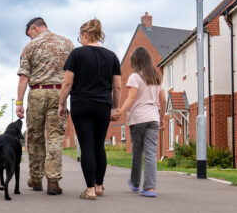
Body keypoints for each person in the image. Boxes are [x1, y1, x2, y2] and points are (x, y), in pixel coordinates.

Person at [58, 18, 121, 200]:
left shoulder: (77, 54)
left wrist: (62, 104)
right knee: (99, 145)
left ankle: (90, 190)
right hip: (103, 105)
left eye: (80, 37)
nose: (80, 40)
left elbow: (67, 82)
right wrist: (115, 107)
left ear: (85, 34)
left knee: (87, 145)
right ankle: (99, 186)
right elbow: (117, 87)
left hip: (81, 105)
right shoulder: (112, 56)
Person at [16, 17, 74, 195]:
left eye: (30, 35)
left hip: (37, 93)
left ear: (34, 28)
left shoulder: (30, 47)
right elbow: (73, 74)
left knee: (34, 137)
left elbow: (24, 77)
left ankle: (35, 178)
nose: (30, 39)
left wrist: (18, 102)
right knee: (55, 137)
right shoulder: (67, 43)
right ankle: (53, 181)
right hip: (60, 93)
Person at [111, 47, 166, 197]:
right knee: (151, 153)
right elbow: (163, 100)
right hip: (153, 118)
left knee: (137, 152)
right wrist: (161, 118)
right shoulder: (156, 78)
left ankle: (135, 184)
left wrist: (119, 112)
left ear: (135, 61)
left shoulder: (135, 77)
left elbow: (131, 98)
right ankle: (149, 188)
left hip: (138, 119)